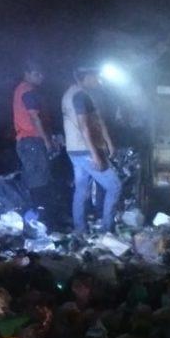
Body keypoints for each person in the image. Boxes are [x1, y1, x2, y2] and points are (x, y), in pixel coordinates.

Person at [61, 68, 122, 233]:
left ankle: (80, 229)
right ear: (86, 77)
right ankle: (107, 229)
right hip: (86, 149)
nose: (98, 80)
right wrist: (95, 154)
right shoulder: (80, 96)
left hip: (74, 149)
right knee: (114, 186)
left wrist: (108, 142)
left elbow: (97, 121)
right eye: (95, 77)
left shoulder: (68, 94)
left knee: (81, 189)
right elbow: (84, 126)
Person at [12, 61, 53, 210]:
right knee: (39, 179)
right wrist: (46, 140)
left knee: (34, 178)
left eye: (41, 74)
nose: (41, 77)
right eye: (36, 74)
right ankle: (40, 213)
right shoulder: (27, 90)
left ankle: (36, 212)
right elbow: (34, 117)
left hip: (26, 141)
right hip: (31, 140)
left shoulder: (21, 89)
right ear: (27, 74)